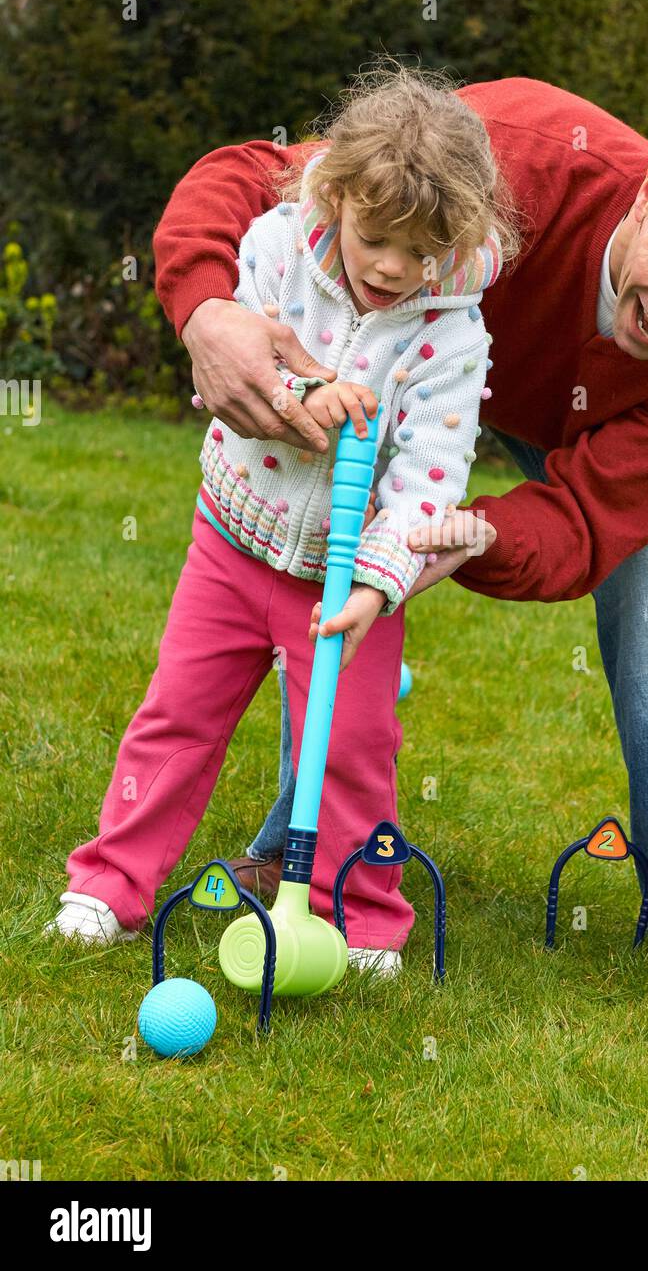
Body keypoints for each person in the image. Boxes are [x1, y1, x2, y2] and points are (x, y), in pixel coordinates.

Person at [151, 75, 648, 1001]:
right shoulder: (522, 153)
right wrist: (205, 309)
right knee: (324, 554)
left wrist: (441, 541)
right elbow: (253, 176)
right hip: (411, 389)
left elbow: (589, 519)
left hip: (571, 435)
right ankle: (308, 852)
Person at [46, 63, 518, 977]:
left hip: (344, 585)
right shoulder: (272, 249)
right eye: (375, 237)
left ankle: (366, 915)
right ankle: (110, 883)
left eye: (418, 252)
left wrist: (380, 582)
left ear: (456, 238)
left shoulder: (451, 334)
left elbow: (430, 477)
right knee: (176, 717)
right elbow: (241, 367)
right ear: (336, 192)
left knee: (352, 750)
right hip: (232, 537)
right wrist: (306, 389)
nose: (390, 268)